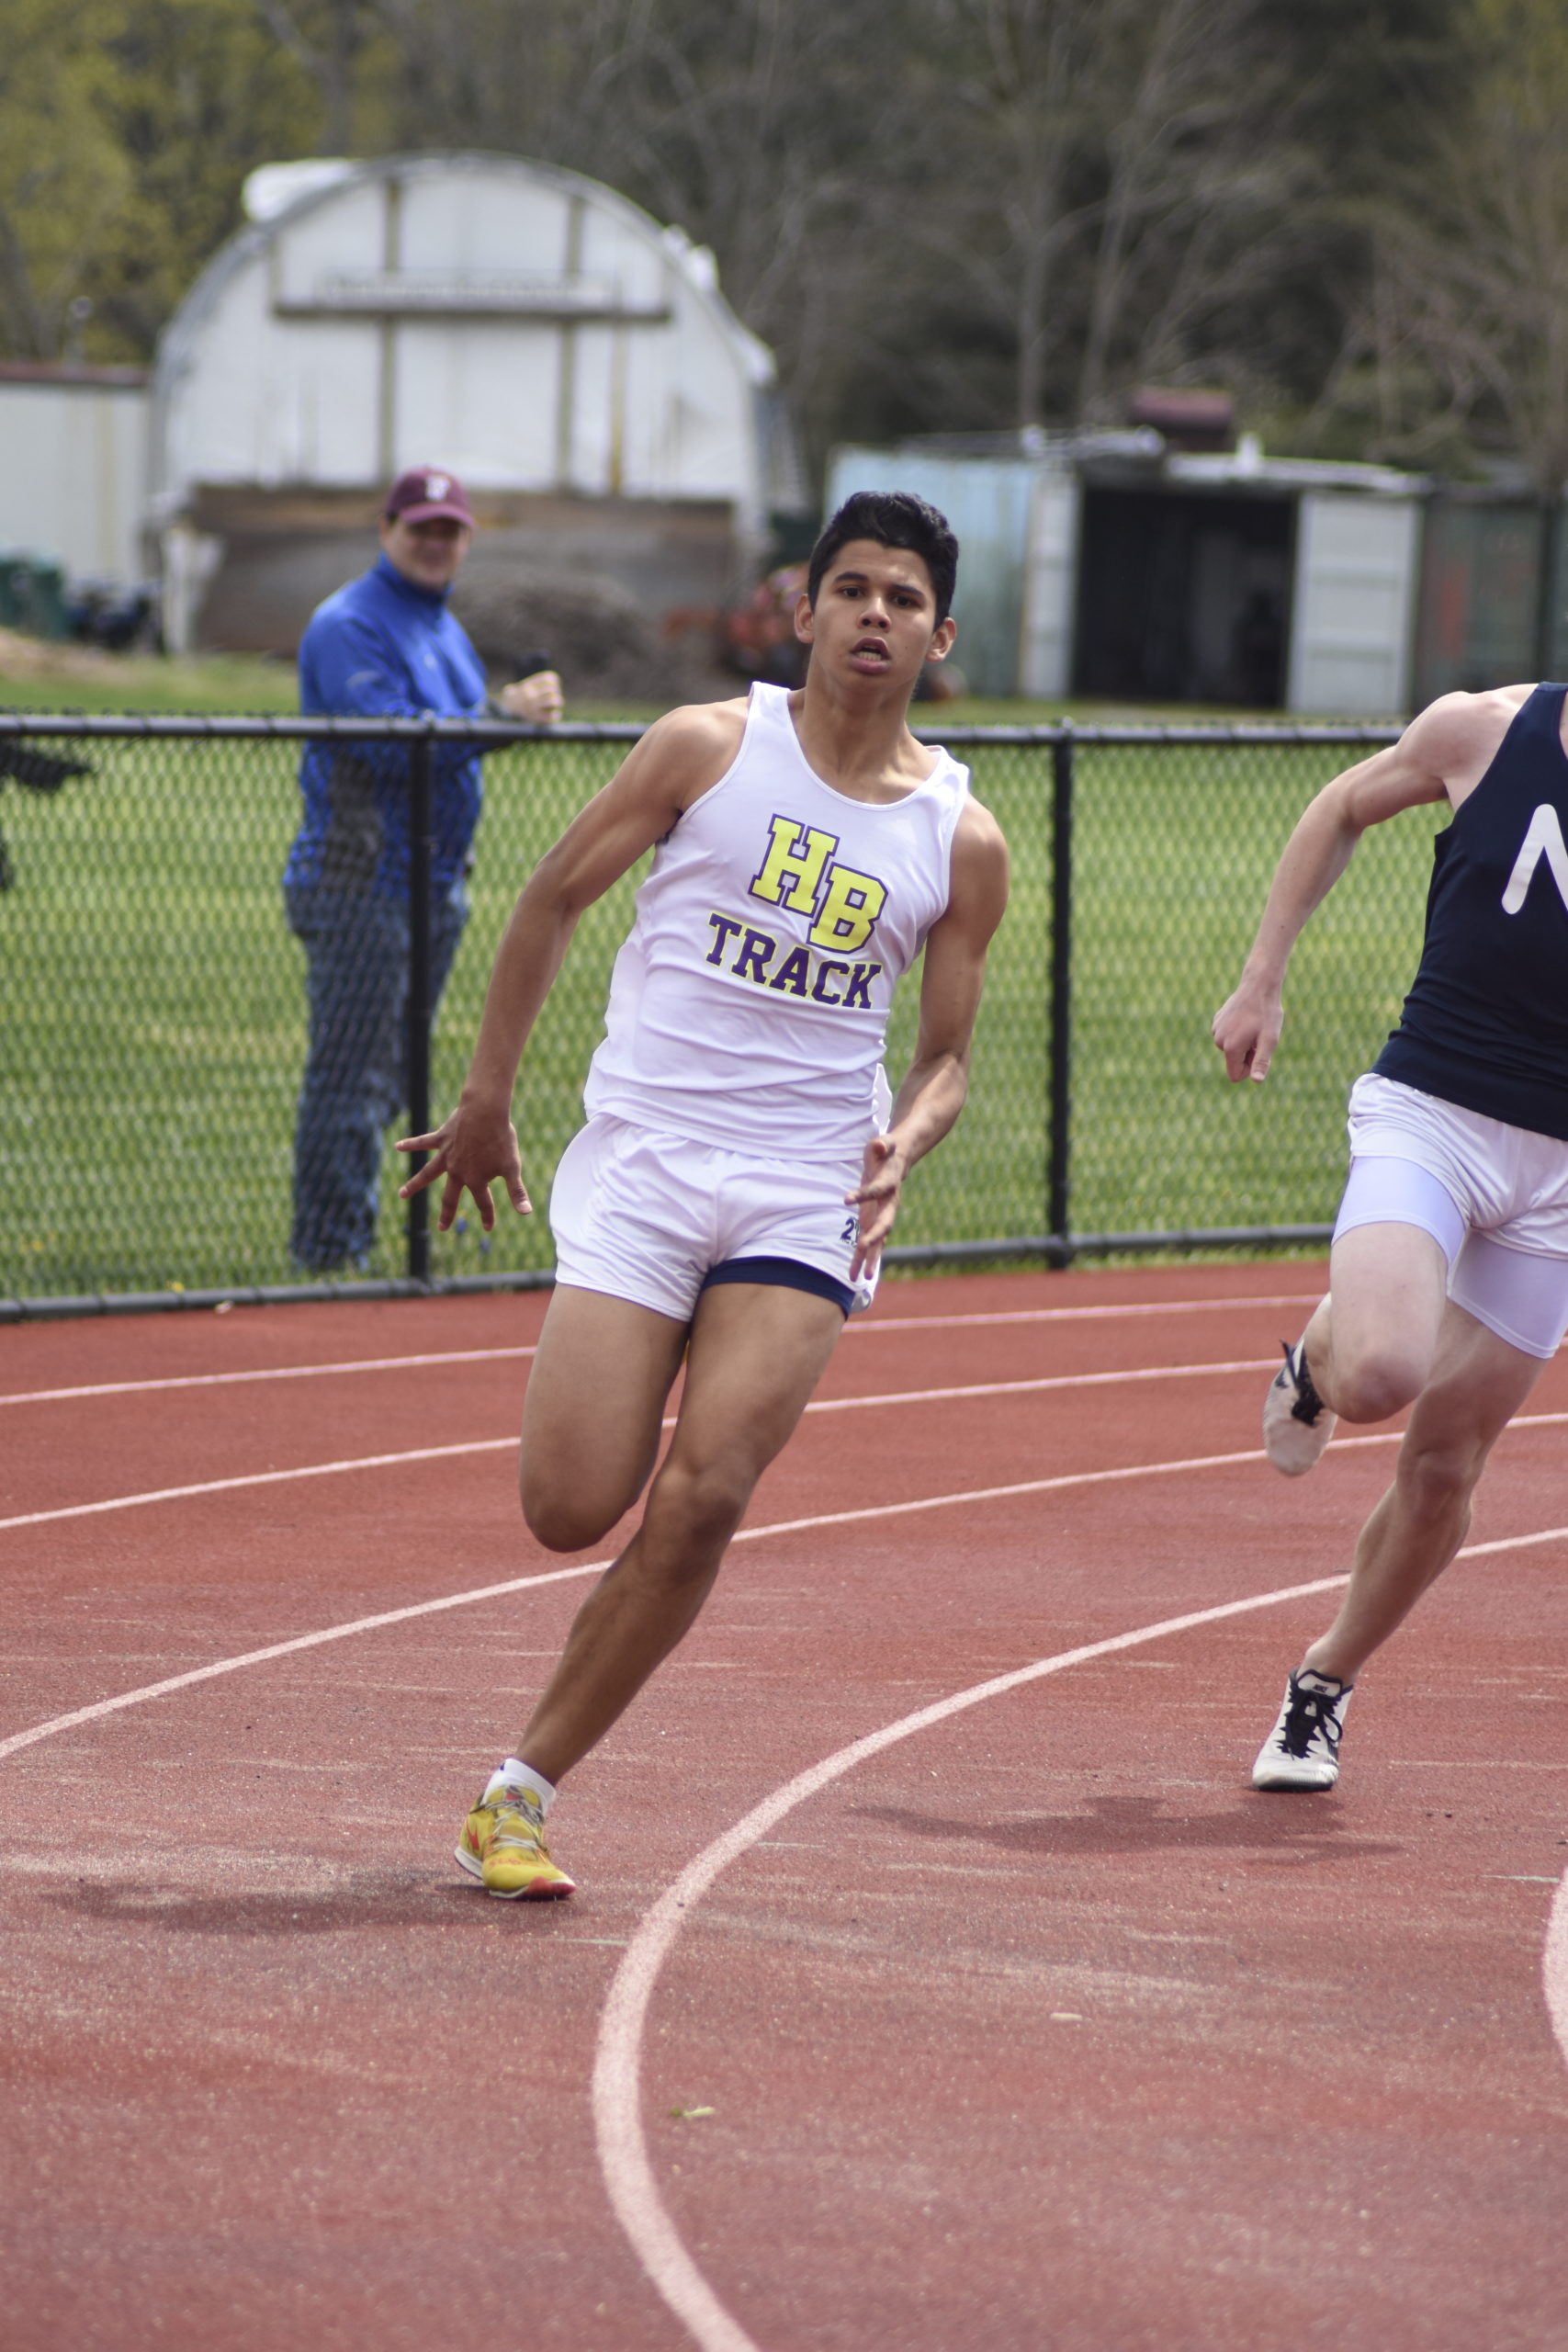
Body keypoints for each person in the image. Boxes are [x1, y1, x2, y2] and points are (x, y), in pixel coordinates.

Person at [398, 490, 1010, 1898]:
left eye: (900, 598)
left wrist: (905, 1144)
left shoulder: (955, 837)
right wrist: (487, 1097)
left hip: (804, 1188)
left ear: (939, 634)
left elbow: (947, 1059)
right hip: (650, 1159)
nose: (872, 614)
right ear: (798, 610)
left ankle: (518, 1794)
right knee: (568, 1505)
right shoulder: (706, 748)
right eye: (847, 588)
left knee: (706, 1492)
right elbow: (549, 900)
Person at [1213, 681, 1568, 1794]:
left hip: (1562, 1175)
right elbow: (1338, 809)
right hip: (1436, 1110)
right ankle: (1322, 1353)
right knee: (1380, 1375)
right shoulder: (1482, 729)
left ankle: (1324, 1681)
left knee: (1445, 1464)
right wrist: (1261, 978)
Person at [283, 466, 564, 1272]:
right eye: (421, 529)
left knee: (394, 1073)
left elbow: (455, 731)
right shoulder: (349, 623)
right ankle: (330, 1256)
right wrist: (497, 718)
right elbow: (385, 741)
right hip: (360, 883)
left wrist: (511, 716)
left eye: (450, 531)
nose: (435, 544)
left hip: (432, 885)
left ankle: (376, 1246)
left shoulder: (441, 626)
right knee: (354, 1077)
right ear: (387, 531)